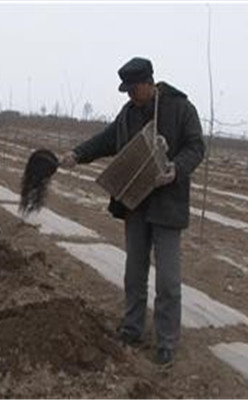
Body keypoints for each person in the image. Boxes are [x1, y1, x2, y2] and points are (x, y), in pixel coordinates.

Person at [60, 57, 205, 365]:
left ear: (148, 83)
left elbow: (196, 147)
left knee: (168, 278)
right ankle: (132, 329)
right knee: (133, 273)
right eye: (126, 91)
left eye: (133, 89)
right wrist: (78, 154)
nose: (129, 95)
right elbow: (107, 139)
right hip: (136, 204)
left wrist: (176, 169)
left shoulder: (181, 108)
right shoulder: (128, 114)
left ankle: (166, 341)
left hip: (168, 205)